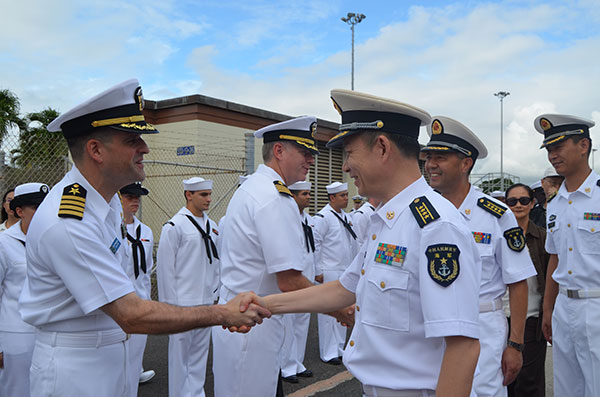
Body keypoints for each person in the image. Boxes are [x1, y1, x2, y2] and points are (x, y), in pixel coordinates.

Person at [17, 79, 269, 397]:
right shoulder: (68, 220)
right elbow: (131, 313)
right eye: (132, 139)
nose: (145, 148)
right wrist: (222, 313)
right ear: (95, 150)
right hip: (76, 372)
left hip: (111, 359)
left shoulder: (104, 203)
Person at [256, 89, 482, 396]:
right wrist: (263, 304)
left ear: (382, 147)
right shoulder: (388, 220)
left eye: (349, 153)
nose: (345, 167)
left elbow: (463, 346)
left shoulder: (436, 227)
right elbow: (343, 290)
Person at [212, 115, 333, 397]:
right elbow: (289, 281)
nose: (311, 160)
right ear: (279, 151)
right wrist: (341, 308)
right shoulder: (274, 198)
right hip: (251, 328)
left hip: (242, 321)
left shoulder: (252, 189)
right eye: (305, 152)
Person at [422, 116, 536, 397]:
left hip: (484, 329)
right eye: (428, 157)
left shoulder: (497, 215)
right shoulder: (421, 213)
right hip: (434, 331)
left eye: (441, 157)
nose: (431, 164)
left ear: (465, 163)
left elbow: (518, 282)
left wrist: (515, 344)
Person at [535, 113, 599, 397]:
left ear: (583, 145)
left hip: (596, 304)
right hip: (565, 309)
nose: (553, 155)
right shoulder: (556, 203)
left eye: (559, 147)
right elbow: (555, 258)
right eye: (549, 149)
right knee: (567, 388)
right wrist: (549, 309)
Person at [157, 176, 220, 397]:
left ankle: (196, 393)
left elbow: (217, 262)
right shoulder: (175, 226)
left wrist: (215, 292)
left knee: (199, 355)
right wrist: (169, 306)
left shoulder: (213, 225)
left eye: (209, 194)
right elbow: (166, 269)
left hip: (205, 300)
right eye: (203, 195)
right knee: (180, 357)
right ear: (188, 195)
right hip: (182, 303)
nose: (208, 199)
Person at [0, 183, 48, 397]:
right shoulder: (4, 243)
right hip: (15, 337)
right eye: (36, 208)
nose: (43, 213)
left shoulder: (52, 241)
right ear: (19, 211)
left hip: (49, 335)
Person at [504, 183, 549, 397]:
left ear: (532, 204)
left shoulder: (543, 238)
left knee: (530, 383)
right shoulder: (496, 235)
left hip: (532, 318)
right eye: (512, 201)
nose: (518, 205)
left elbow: (551, 280)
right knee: (503, 381)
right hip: (501, 317)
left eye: (523, 200)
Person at [313, 181, 359, 365]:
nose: (346, 199)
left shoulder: (346, 216)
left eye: (346, 195)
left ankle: (340, 347)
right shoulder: (323, 217)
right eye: (342, 196)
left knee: (343, 312)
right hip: (329, 270)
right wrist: (317, 270)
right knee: (327, 315)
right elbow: (316, 244)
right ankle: (328, 352)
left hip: (344, 269)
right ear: (332, 198)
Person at [119, 182, 156, 389]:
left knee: (134, 360)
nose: (135, 201)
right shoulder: (112, 229)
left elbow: (146, 270)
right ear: (119, 198)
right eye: (129, 197)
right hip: (119, 304)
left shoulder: (146, 231)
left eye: (137, 197)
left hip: (140, 301)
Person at [279, 180, 317, 383]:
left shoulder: (308, 219)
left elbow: (314, 248)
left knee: (302, 323)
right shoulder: (286, 218)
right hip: (292, 279)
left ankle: (297, 362)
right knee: (289, 324)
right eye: (304, 194)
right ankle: (286, 366)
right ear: (293, 196)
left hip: (307, 276)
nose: (308, 197)